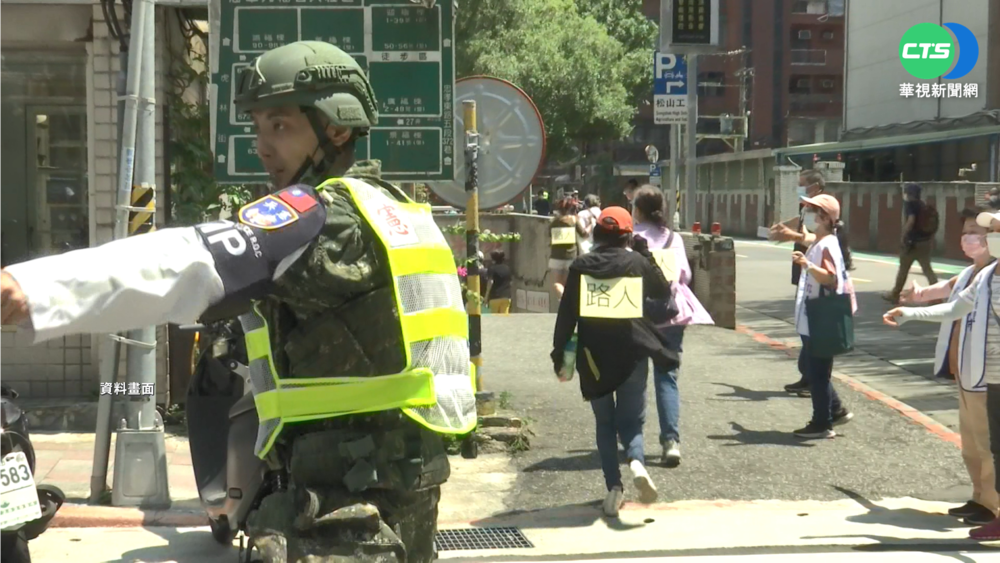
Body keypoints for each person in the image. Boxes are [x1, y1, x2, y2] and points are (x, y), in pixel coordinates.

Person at [0, 41, 476, 563]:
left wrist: (33, 290)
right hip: (405, 489)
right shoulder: (399, 212)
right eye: (257, 128)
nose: (262, 146)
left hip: (342, 505)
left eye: (280, 126)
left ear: (336, 128)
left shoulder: (323, 218)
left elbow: (192, 258)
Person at [551, 207, 677, 517]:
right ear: (626, 236)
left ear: (596, 234)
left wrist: (558, 354)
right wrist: (645, 253)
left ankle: (613, 488)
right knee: (632, 422)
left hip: (593, 357)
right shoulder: (635, 262)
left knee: (605, 424)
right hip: (633, 352)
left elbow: (567, 314)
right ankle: (636, 462)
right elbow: (662, 290)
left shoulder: (580, 267)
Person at [884, 209, 1000, 540]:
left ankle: (993, 505)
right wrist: (910, 312)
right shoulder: (983, 277)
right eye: (984, 232)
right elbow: (954, 306)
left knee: (992, 446)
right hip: (976, 374)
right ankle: (983, 501)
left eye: (992, 232)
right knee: (978, 445)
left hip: (988, 377)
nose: (986, 238)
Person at [632, 185, 713, 467]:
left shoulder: (631, 239)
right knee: (667, 376)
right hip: (670, 314)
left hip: (638, 315)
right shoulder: (674, 238)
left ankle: (634, 443)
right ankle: (670, 442)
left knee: (636, 378)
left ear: (638, 210)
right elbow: (686, 275)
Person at [790, 194, 857, 439]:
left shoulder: (826, 244)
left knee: (817, 374)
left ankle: (822, 423)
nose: (806, 211)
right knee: (813, 368)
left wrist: (807, 265)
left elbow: (830, 278)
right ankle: (835, 409)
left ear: (826, 217)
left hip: (820, 319)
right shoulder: (823, 241)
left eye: (812, 209)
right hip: (814, 319)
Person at [769, 169, 826, 397]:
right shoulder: (808, 205)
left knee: (809, 329)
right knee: (803, 325)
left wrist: (796, 237)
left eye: (802, 184)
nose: (798, 188)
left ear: (815, 186)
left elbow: (818, 236)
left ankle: (813, 378)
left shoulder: (822, 208)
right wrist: (782, 226)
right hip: (803, 269)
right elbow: (799, 221)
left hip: (815, 270)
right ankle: (807, 376)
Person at [884, 183, 939, 304]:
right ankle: (937, 295)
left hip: (912, 243)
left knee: (903, 269)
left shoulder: (910, 205)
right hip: (924, 243)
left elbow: (911, 221)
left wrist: (903, 235)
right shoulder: (923, 205)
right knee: (927, 269)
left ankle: (895, 294)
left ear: (909, 193)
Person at [548, 197, 586, 298]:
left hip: (555, 257)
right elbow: (584, 234)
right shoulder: (573, 220)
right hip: (571, 256)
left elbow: (549, 235)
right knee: (569, 284)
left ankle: (562, 299)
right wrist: (590, 225)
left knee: (557, 283)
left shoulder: (554, 222)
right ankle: (567, 301)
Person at [485, 249, 513, 315]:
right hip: (506, 296)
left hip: (495, 297)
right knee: (504, 317)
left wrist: (486, 296)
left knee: (495, 319)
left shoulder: (491, 268)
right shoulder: (507, 268)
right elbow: (511, 282)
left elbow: (490, 282)